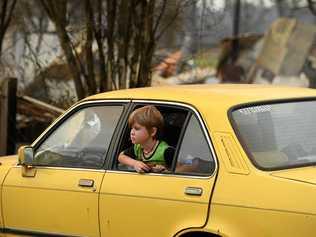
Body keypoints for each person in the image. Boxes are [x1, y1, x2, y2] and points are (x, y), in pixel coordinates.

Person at [118, 105, 174, 173]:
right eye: (131, 128)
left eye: (137, 129)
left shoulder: (166, 151)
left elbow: (186, 167)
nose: (132, 132)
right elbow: (121, 157)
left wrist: (167, 170)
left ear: (153, 131)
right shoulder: (137, 148)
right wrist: (135, 163)